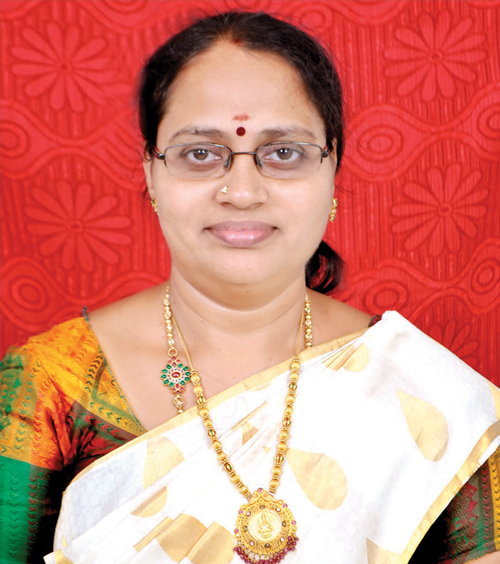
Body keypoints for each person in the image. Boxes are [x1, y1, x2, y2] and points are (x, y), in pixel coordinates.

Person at [1, 10, 499, 564]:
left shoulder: (425, 393)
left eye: (283, 152)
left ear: (333, 167)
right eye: (200, 153)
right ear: (150, 172)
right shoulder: (50, 387)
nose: (242, 192)